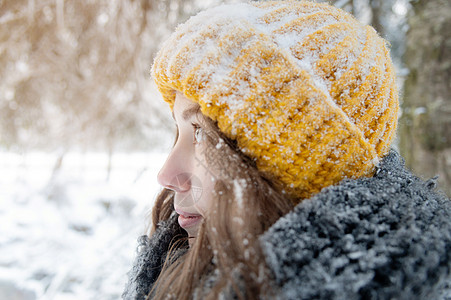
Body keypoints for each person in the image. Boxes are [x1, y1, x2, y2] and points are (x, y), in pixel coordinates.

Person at [122, 1, 451, 299]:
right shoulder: (169, 267)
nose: (165, 175)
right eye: (178, 132)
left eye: (201, 134)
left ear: (305, 168)